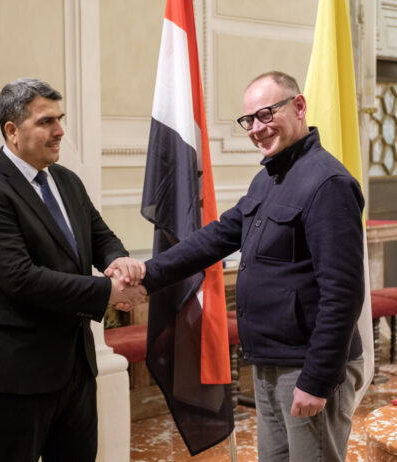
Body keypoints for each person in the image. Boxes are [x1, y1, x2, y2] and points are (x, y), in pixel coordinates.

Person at [110, 71, 365, 462]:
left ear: (299, 106)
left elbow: (343, 293)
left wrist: (317, 379)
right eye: (249, 120)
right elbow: (215, 237)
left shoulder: (328, 183)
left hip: (307, 366)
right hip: (269, 361)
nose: (257, 128)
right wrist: (147, 275)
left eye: (266, 114)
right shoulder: (268, 179)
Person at [0, 78, 146, 462]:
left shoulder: (67, 180)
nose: (60, 131)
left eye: (60, 119)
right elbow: (20, 278)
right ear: (12, 131)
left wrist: (119, 264)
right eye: (46, 122)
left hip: (76, 365)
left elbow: (101, 237)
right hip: (17, 370)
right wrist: (108, 292)